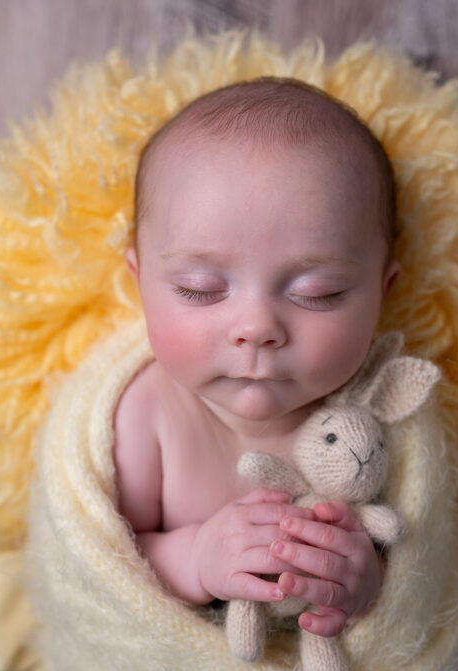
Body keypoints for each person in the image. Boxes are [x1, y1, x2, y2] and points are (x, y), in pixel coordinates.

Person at [114, 77, 401, 639]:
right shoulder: (145, 413)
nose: (257, 329)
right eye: (200, 289)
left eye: (318, 292)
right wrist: (195, 558)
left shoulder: (387, 416)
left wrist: (367, 588)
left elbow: (424, 570)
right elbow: (102, 559)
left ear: (381, 296)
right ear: (139, 282)